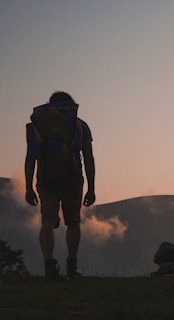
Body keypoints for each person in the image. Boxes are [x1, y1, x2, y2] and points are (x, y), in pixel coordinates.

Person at [25, 91, 96, 281]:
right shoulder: (79, 125)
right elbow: (88, 157)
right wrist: (91, 187)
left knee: (47, 222)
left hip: (46, 176)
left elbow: (31, 157)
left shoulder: (39, 125)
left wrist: (28, 186)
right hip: (72, 177)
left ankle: (49, 268)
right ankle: (72, 268)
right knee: (73, 222)